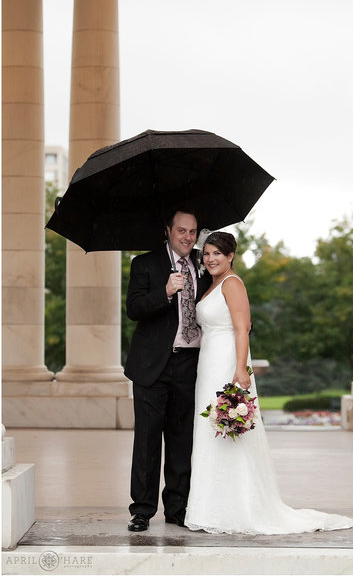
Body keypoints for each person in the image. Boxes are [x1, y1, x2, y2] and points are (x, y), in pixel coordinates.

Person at [184, 231, 353, 534]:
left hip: (227, 361)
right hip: (208, 362)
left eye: (217, 254)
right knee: (209, 431)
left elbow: (242, 328)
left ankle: (236, 509)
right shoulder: (211, 285)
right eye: (207, 253)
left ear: (231, 255)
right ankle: (210, 508)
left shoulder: (232, 284)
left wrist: (240, 370)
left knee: (229, 431)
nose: (210, 258)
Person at [125, 209, 212, 532]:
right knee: (147, 441)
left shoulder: (206, 264)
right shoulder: (144, 264)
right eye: (181, 231)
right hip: (152, 366)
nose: (188, 237)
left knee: (181, 441)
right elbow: (133, 309)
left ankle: (177, 508)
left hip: (190, 364)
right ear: (168, 231)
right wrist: (164, 291)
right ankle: (142, 510)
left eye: (192, 231)